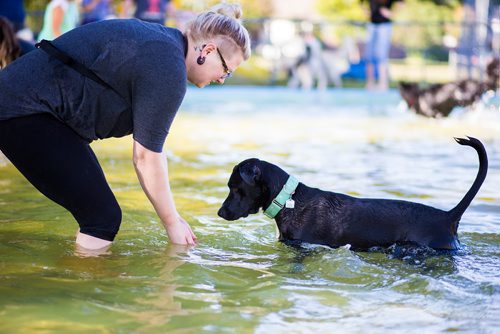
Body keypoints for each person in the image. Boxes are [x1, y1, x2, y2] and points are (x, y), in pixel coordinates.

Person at [0, 3, 251, 252]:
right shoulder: (168, 67)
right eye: (226, 70)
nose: (221, 78)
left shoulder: (163, 45)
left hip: (33, 111)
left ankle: (84, 275)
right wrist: (172, 222)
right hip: (24, 111)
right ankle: (77, 287)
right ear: (207, 50)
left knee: (99, 214)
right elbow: (145, 158)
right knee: (102, 218)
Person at [363, 0, 402, 90]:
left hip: (385, 25)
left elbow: (402, 3)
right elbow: (361, 3)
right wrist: (365, 11)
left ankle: (383, 84)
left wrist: (392, 13)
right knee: (369, 56)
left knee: (382, 55)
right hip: (371, 24)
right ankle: (369, 84)